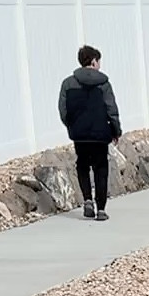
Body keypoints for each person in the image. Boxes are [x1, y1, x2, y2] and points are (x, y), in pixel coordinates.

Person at [58, 45, 122, 221]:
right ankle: (101, 209)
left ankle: (87, 199)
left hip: (80, 134)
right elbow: (111, 109)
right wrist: (116, 130)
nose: (99, 65)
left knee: (82, 165)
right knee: (101, 168)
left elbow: (63, 110)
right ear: (94, 61)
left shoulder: (68, 84)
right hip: (100, 134)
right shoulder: (104, 84)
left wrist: (72, 126)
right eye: (99, 61)